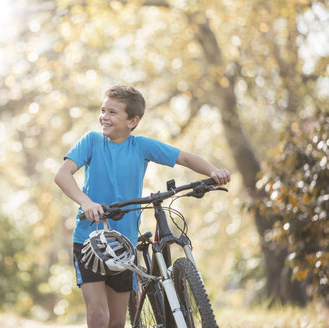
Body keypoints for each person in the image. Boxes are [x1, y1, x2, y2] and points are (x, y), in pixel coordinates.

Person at [54, 85, 230, 328]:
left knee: (116, 322)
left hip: (124, 243)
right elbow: (62, 175)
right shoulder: (92, 141)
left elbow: (186, 158)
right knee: (98, 316)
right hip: (89, 239)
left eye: (113, 112)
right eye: (103, 110)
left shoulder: (141, 146)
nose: (104, 116)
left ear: (132, 121)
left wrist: (213, 171)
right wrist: (86, 202)